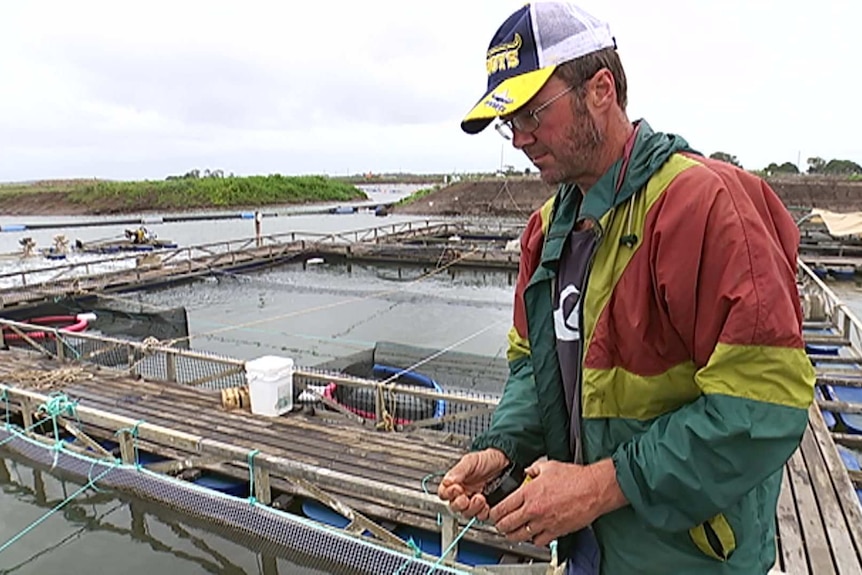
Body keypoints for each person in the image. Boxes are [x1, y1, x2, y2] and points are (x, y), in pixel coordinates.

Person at [436, 3, 815, 574]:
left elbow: (763, 405)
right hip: (589, 551)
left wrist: (600, 486)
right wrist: (505, 447)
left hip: (689, 558)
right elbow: (532, 371)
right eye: (508, 121)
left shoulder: (708, 206)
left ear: (601, 89)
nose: (520, 139)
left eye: (533, 112)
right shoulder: (544, 232)